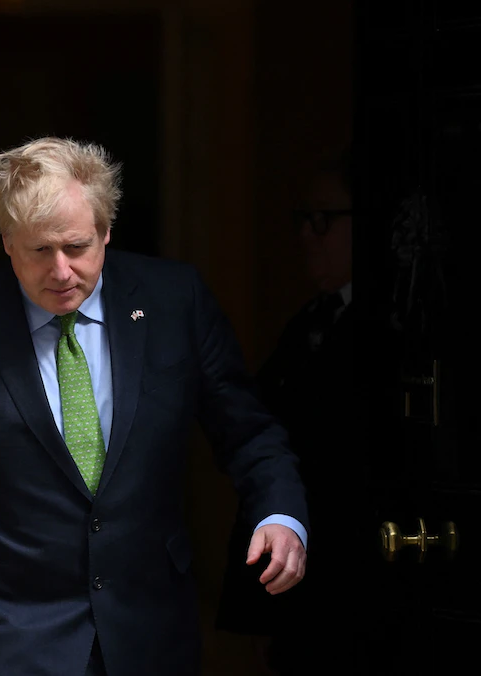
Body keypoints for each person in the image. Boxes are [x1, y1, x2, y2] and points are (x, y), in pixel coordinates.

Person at [0, 136, 309, 676]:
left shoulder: (174, 301)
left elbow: (248, 431)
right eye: (39, 250)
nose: (61, 271)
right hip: (7, 639)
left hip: (150, 632)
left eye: (76, 247)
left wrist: (280, 513)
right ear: (6, 241)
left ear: (105, 231)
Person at [216, 147, 358, 674]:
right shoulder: (309, 322)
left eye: (323, 220)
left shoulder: (394, 325)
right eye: (303, 219)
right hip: (297, 580)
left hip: (354, 582)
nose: (307, 235)